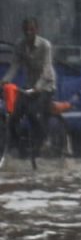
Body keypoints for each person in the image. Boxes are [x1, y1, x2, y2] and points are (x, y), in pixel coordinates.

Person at [1, 17, 57, 152]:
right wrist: (5, 80)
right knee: (13, 114)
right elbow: (15, 65)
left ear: (37, 30)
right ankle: (16, 145)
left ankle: (43, 140)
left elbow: (46, 69)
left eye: (31, 29)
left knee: (33, 112)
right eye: (26, 30)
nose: (28, 32)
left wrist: (38, 87)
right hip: (29, 85)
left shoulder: (45, 45)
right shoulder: (20, 45)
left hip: (46, 85)